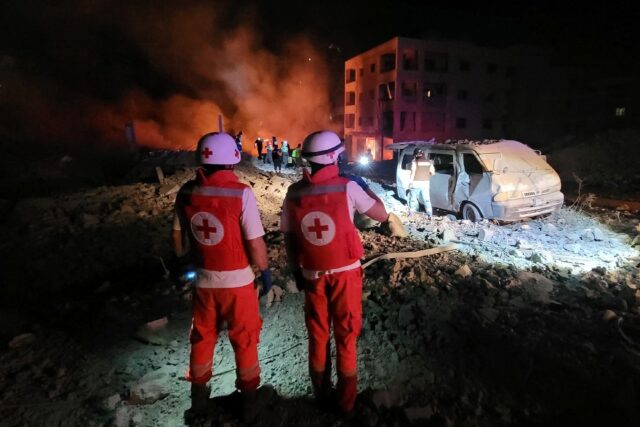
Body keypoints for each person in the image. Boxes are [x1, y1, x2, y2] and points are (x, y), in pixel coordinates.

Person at [280, 130, 390, 415]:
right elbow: (382, 214)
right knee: (346, 335)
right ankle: (346, 402)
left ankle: (320, 396)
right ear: (332, 157)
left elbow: (290, 238)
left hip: (312, 275)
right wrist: (364, 187)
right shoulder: (347, 187)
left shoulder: (294, 192)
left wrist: (296, 271)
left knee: (318, 336)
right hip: (345, 275)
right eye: (339, 154)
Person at [172, 132, 273, 421]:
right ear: (233, 160)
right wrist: (265, 271)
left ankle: (199, 400)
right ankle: (249, 402)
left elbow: (177, 235)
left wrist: (181, 262)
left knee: (202, 338)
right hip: (238, 285)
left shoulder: (186, 192)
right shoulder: (241, 193)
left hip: (203, 283)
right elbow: (254, 241)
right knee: (244, 338)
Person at [408, 147, 435, 217]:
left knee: (413, 198)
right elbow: (433, 173)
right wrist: (426, 176)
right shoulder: (429, 162)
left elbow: (413, 172)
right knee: (427, 199)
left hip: (416, 183)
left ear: (416, 155)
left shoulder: (415, 161)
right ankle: (430, 214)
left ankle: (411, 213)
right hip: (425, 184)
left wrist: (410, 182)